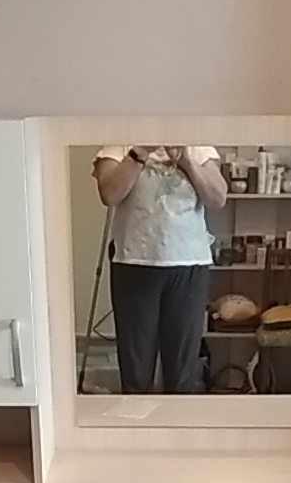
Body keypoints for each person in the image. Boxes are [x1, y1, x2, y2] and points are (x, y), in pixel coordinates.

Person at [93, 145, 227, 393]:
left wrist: (187, 161)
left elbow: (218, 198)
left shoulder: (198, 147)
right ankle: (137, 417)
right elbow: (109, 195)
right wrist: (140, 153)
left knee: (182, 372)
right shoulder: (119, 145)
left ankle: (178, 418)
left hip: (189, 264)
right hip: (135, 263)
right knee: (136, 369)